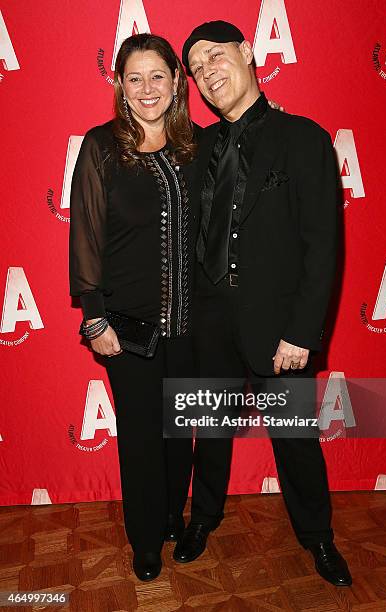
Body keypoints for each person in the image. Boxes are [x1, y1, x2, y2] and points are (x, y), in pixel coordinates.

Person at [173, 21, 352, 587]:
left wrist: (302, 332)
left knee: (295, 437)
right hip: (209, 319)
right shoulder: (197, 147)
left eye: (215, 57)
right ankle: (202, 520)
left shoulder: (303, 138)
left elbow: (322, 245)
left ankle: (318, 537)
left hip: (280, 328)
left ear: (248, 53)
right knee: (211, 429)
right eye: (196, 69)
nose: (207, 73)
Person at [69, 33, 200, 582]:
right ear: (120, 84)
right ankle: (145, 539)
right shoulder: (102, 146)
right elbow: (85, 235)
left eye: (159, 76)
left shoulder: (198, 147)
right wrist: (94, 315)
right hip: (128, 327)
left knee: (180, 432)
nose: (148, 88)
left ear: (176, 82)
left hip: (193, 325)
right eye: (135, 77)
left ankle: (173, 516)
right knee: (143, 439)